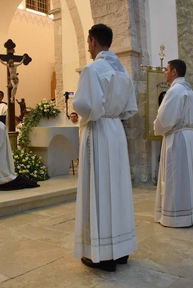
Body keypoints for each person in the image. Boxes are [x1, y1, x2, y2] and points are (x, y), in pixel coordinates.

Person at [72, 24, 138, 272]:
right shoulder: (122, 73)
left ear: (92, 41)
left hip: (98, 132)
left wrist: (80, 115)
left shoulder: (92, 69)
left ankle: (102, 254)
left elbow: (84, 105)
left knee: (99, 189)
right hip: (116, 134)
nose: (88, 48)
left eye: (88, 43)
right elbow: (129, 109)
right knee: (118, 190)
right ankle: (121, 250)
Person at [154, 59, 193, 228]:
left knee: (175, 177)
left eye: (166, 70)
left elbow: (165, 119)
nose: (164, 73)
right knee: (185, 176)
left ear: (174, 71)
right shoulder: (189, 91)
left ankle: (176, 216)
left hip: (177, 139)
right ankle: (190, 213)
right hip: (187, 137)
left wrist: (157, 128)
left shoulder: (175, 92)